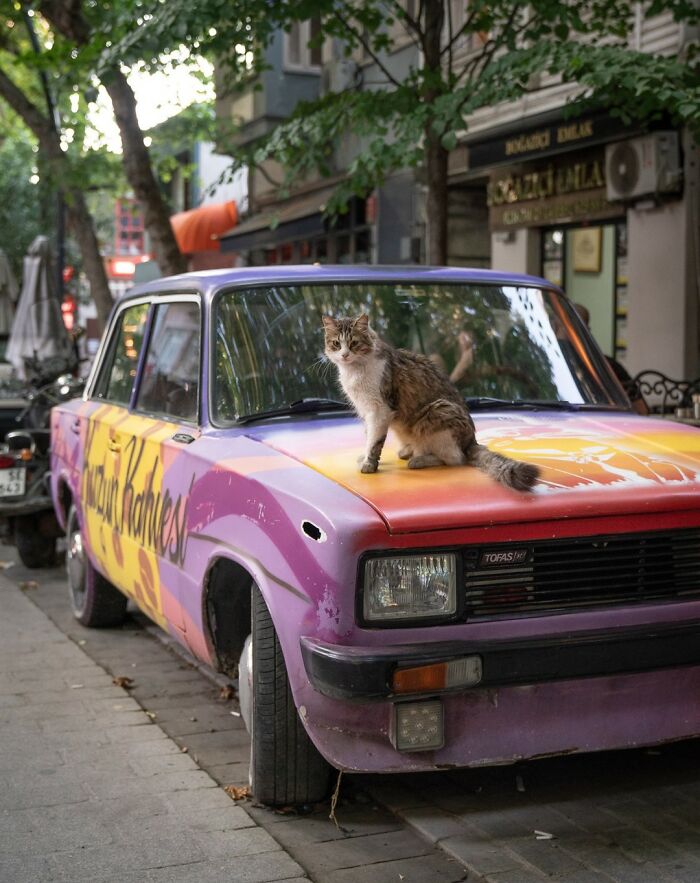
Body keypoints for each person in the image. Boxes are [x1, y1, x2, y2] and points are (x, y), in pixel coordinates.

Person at [573, 303, 649, 415]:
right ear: (588, 331)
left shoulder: (607, 366)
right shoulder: (609, 365)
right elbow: (642, 410)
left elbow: (641, 409)